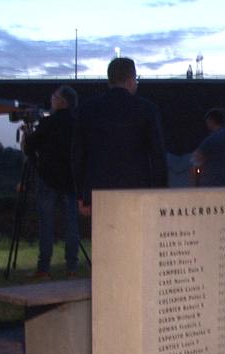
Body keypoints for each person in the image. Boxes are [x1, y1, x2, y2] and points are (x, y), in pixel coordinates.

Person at [72, 57, 168, 215]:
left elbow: (78, 155)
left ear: (109, 79)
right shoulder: (147, 109)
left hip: (98, 192)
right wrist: (160, 192)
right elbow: (158, 156)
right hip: (137, 190)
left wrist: (81, 195)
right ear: (131, 79)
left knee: (103, 237)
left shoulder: (87, 110)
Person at [23, 85, 79, 279]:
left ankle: (43, 268)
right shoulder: (77, 123)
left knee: (46, 224)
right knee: (72, 224)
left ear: (62, 101)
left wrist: (32, 149)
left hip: (48, 178)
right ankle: (72, 266)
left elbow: (30, 146)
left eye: (54, 96)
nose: (52, 99)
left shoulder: (49, 123)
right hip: (71, 180)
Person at [191, 107, 225, 187]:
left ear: (211, 121)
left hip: (211, 183)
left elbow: (195, 163)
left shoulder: (210, 140)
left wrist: (195, 185)